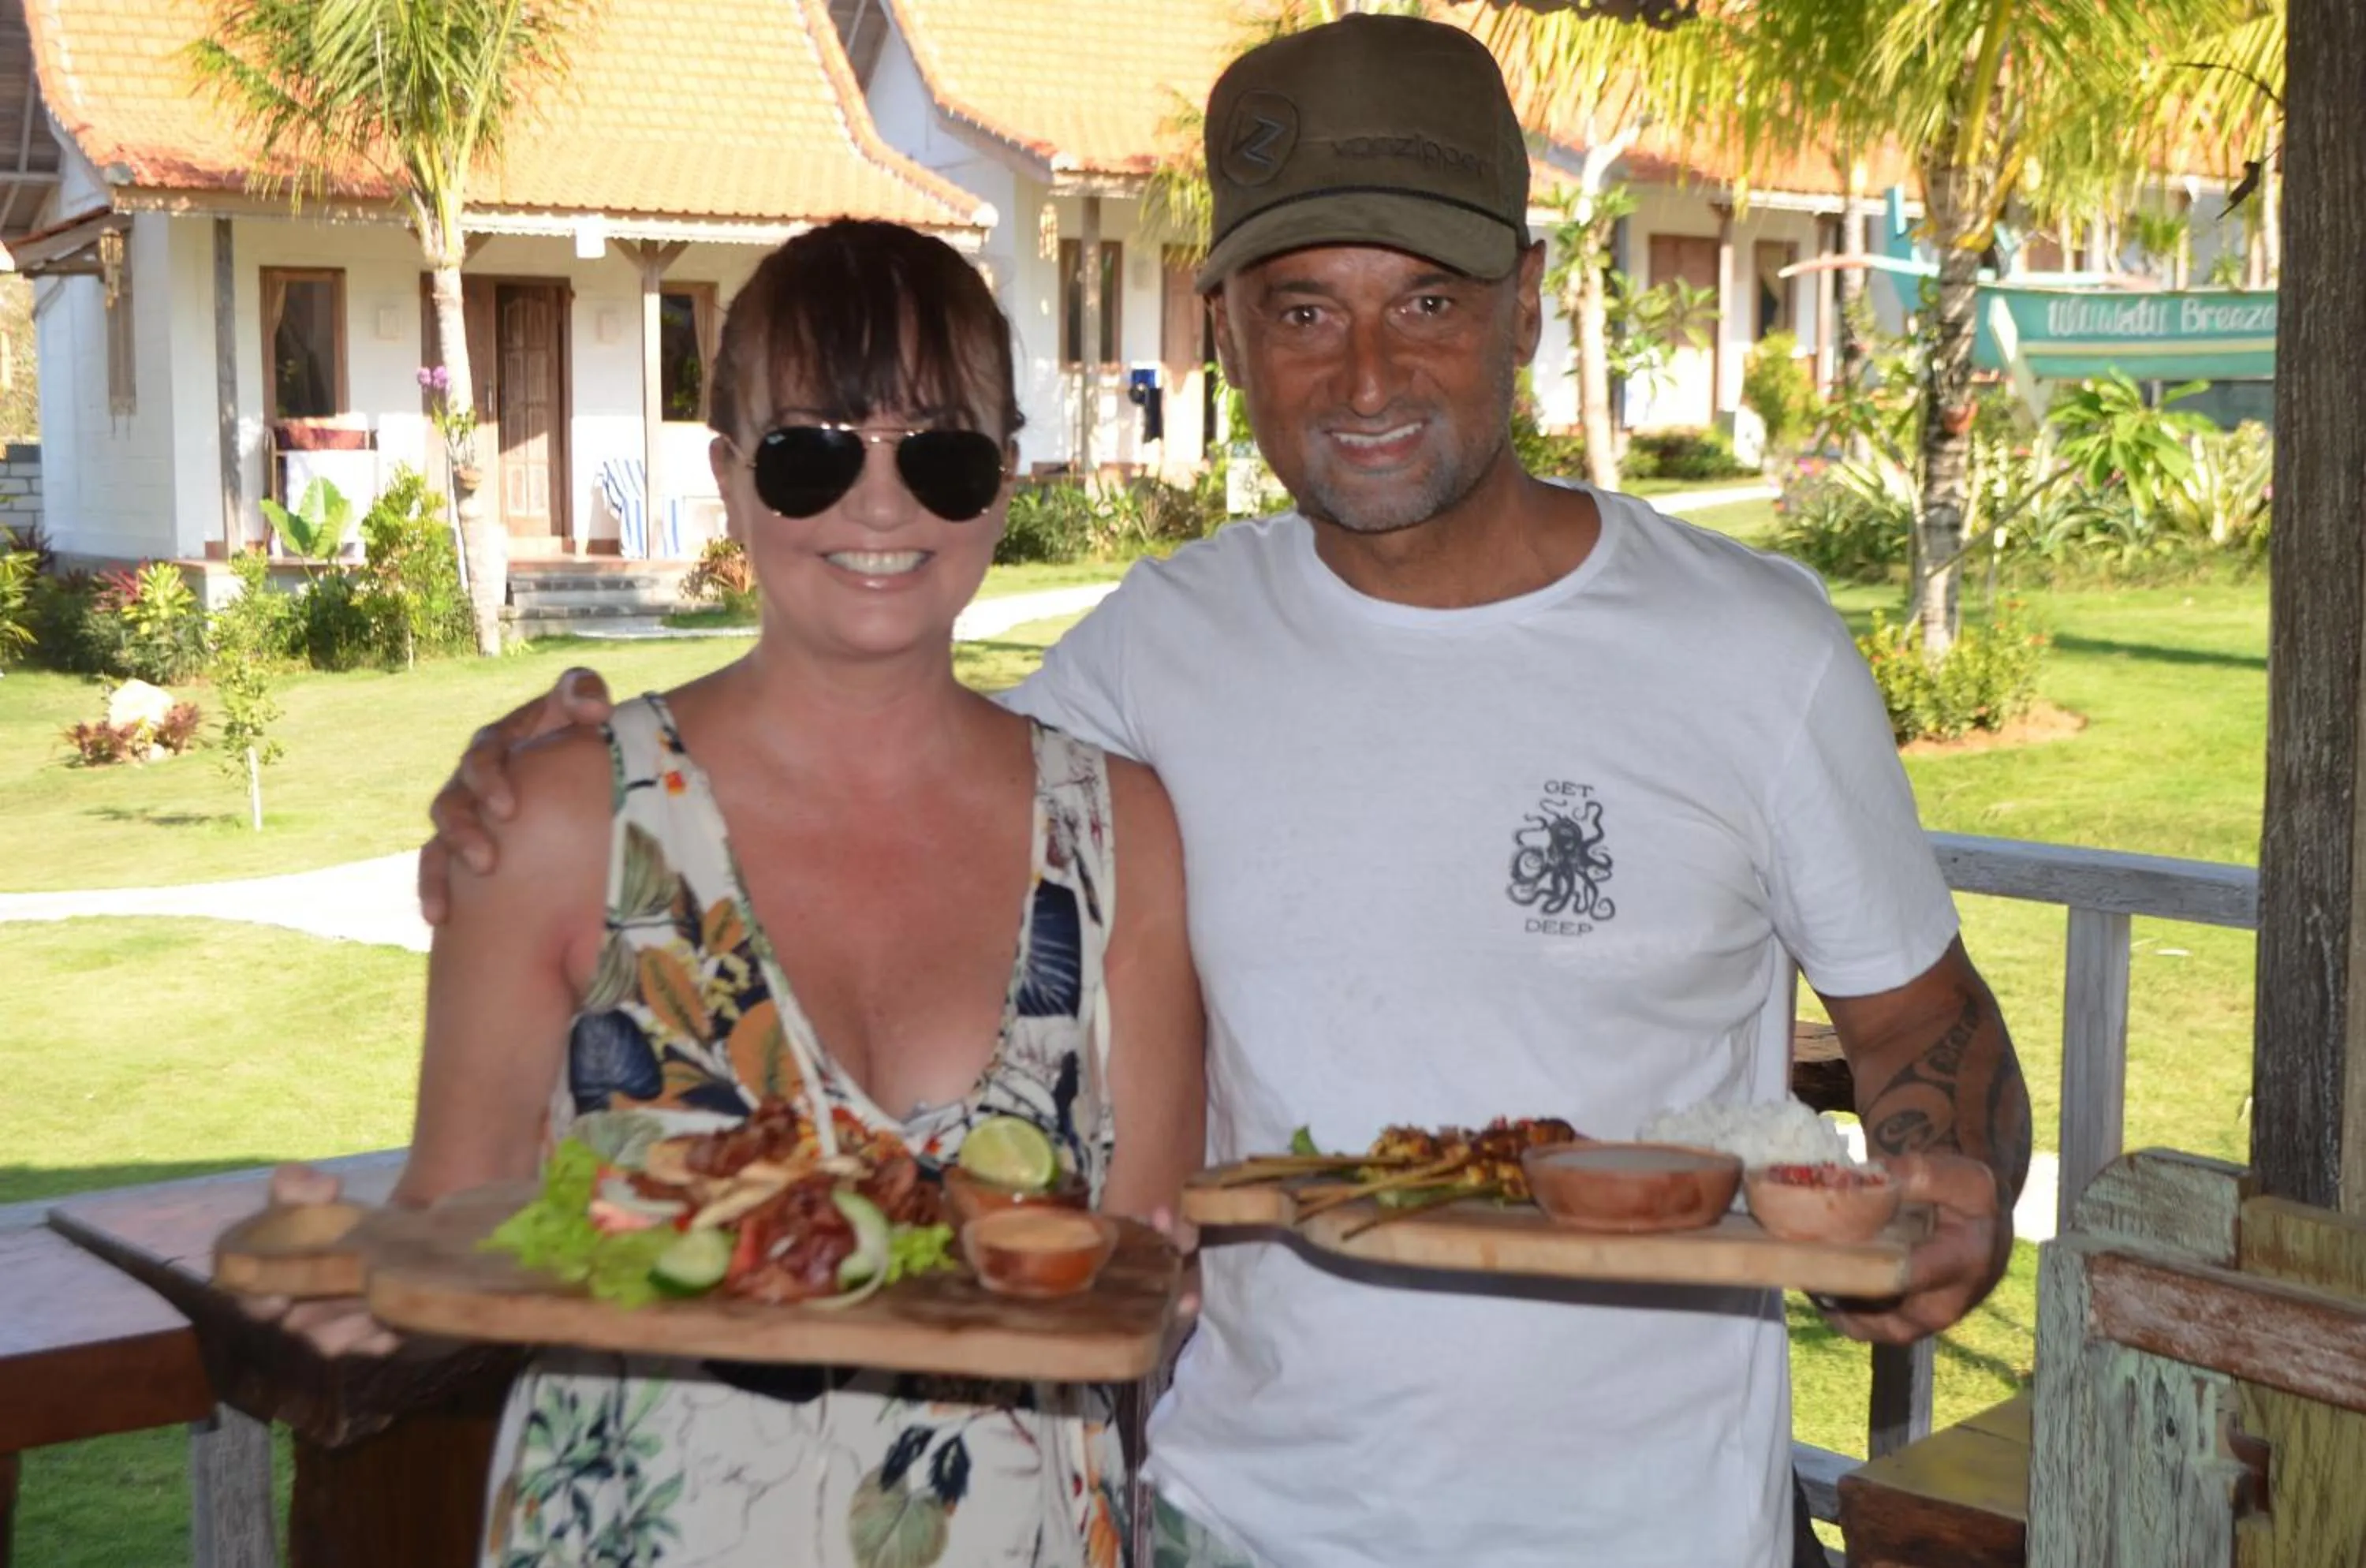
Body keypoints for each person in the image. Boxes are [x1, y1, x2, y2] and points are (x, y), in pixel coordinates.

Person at [423, 17, 2030, 1567]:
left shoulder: (1756, 652)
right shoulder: (1160, 654)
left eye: (1429, 301)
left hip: (1646, 1533)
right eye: (1305, 310)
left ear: (1528, 303)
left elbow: (1922, 1032)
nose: (1368, 374)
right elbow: (867, 746)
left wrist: (1945, 1190)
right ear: (1228, 326)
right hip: (1228, 1519)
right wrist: (565, 764)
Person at [280, 220, 1204, 1567]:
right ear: (728, 474)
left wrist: (1174, 1284)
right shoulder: (558, 823)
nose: (879, 507)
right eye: (813, 450)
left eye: (939, 452)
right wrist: (362, 1288)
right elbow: (453, 1228)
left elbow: (1138, 1269)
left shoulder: (1121, 834)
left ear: (1006, 480)